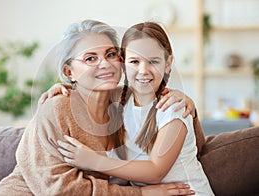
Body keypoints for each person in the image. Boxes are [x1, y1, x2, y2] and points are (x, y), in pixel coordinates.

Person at [0, 19, 195, 196]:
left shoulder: (124, 101)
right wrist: (139, 193)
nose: (104, 64)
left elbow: (186, 139)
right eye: (90, 58)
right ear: (69, 72)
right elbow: (59, 190)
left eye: (110, 54)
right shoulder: (56, 109)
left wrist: (186, 102)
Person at [51, 22, 214, 195]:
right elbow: (88, 87)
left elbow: (155, 172)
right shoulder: (120, 99)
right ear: (122, 63)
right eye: (134, 61)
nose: (143, 70)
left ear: (168, 63)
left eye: (153, 61)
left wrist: (93, 161)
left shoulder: (173, 108)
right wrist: (62, 88)